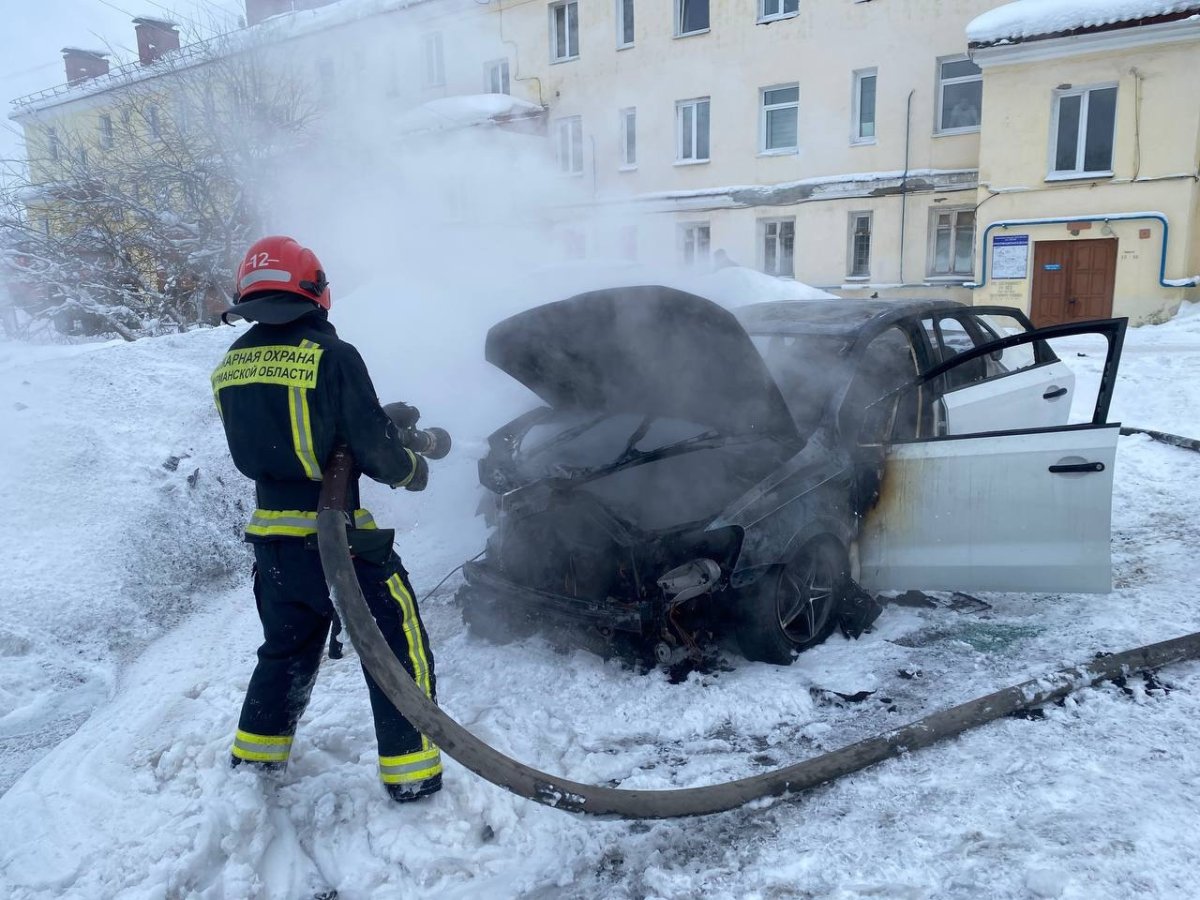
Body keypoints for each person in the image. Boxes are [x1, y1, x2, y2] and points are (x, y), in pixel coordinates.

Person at [210, 235, 442, 803]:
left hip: (273, 547)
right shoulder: (333, 356)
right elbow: (377, 453)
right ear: (316, 293)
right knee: (396, 646)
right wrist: (413, 468)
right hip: (340, 545)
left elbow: (284, 434)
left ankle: (254, 767)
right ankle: (412, 776)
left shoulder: (230, 363)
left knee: (285, 653)